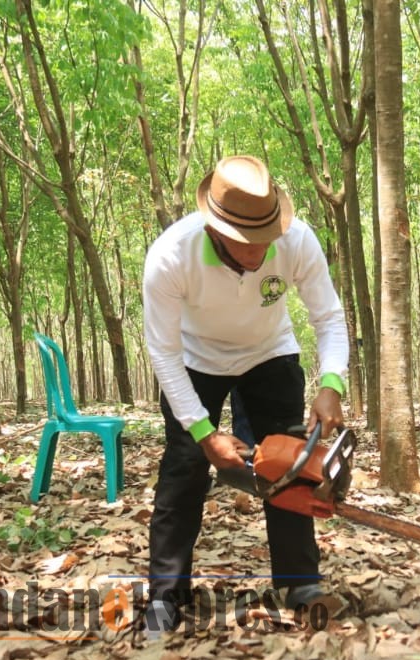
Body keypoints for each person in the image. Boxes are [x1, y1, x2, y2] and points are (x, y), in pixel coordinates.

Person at [142, 155, 349, 634]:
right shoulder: (171, 256)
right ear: (214, 229)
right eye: (243, 242)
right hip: (194, 361)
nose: (258, 253)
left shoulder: (296, 239)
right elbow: (164, 354)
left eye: (265, 239)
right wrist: (202, 432)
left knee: (292, 464)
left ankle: (299, 583)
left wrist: (331, 383)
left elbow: (328, 317)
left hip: (268, 353)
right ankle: (165, 595)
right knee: (184, 469)